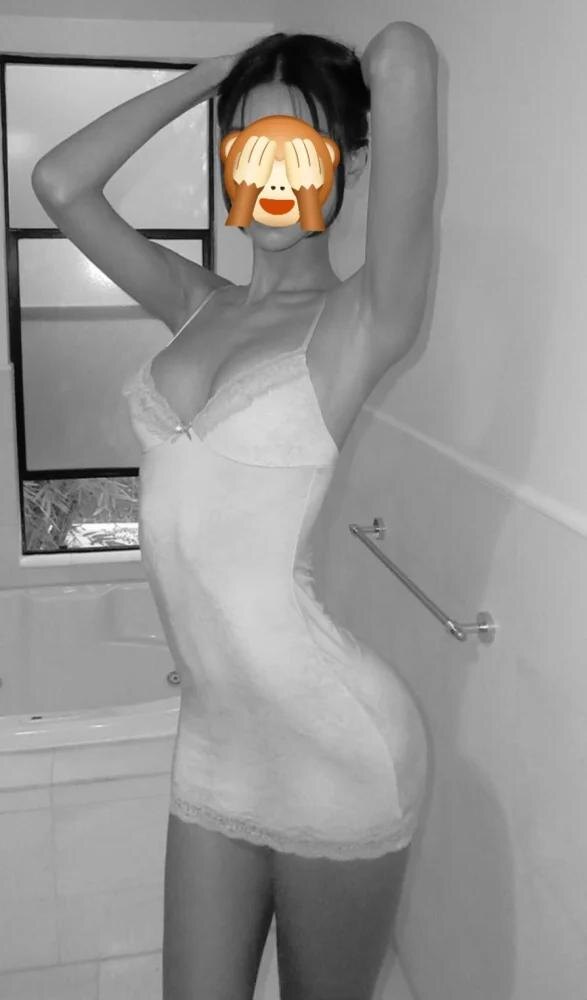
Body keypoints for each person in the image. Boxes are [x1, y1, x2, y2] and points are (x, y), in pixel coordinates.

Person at [32, 22, 438, 1000]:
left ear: (345, 164)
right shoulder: (196, 302)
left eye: (299, 147)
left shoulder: (361, 318)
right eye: (249, 146)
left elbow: (403, 55)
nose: (272, 168)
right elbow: (58, 184)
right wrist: (212, 77)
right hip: (216, 741)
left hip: (335, 747)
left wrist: (305, 81)